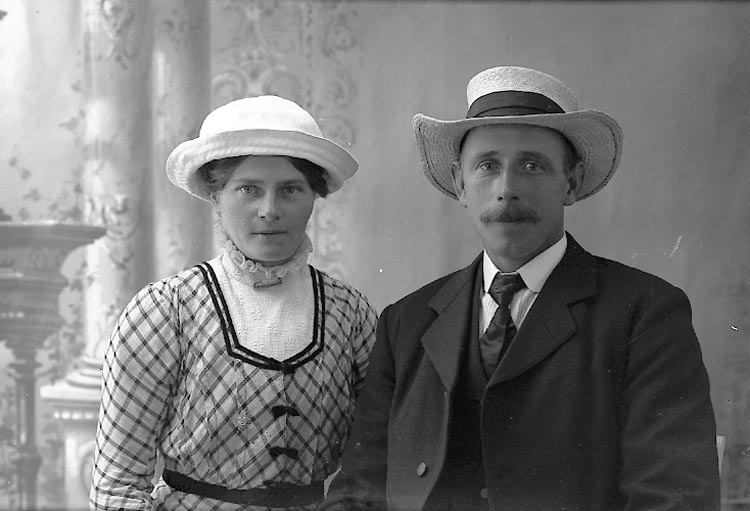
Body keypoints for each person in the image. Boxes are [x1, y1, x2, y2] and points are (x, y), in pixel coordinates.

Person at [326, 66, 720, 510]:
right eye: (487, 166)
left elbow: (673, 498)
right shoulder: (406, 322)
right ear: (459, 183)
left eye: (532, 166)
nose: (507, 189)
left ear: (571, 183)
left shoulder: (644, 313)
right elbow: (357, 493)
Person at [90, 95, 378, 510]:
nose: (269, 210)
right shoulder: (165, 311)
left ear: (314, 196)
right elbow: (117, 488)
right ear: (216, 195)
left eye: (290, 190)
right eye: (248, 189)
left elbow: (378, 462)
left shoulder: (348, 313)